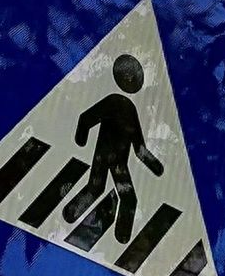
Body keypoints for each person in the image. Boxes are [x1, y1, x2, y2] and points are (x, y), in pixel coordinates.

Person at [63, 54, 163, 243]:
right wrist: (81, 137)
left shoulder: (129, 109)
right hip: (106, 156)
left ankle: (120, 234)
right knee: (102, 189)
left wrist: (156, 167)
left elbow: (139, 147)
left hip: (115, 160)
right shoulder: (115, 102)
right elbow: (87, 118)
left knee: (109, 192)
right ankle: (71, 213)